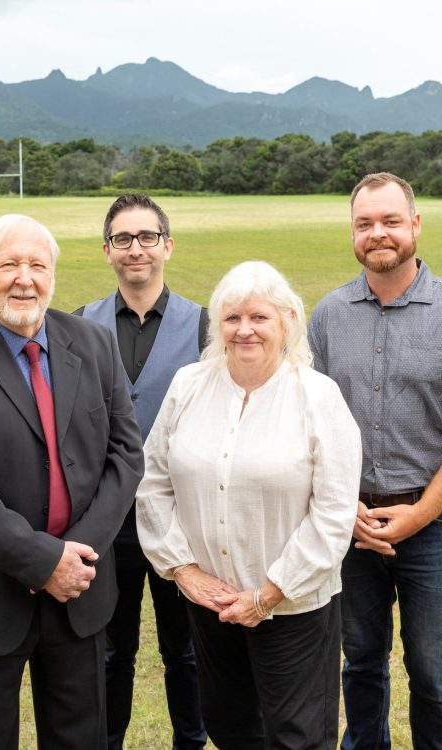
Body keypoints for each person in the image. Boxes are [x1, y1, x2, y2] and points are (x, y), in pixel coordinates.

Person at [0, 214, 144, 750]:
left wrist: (75, 556)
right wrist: (45, 562)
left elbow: (126, 455)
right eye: (8, 264)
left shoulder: (92, 343)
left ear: (53, 275)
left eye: (37, 265)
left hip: (79, 594)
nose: (25, 278)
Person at [136, 260, 362, 750]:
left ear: (287, 322)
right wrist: (186, 573)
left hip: (293, 607)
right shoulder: (188, 385)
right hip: (211, 605)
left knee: (297, 738)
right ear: (217, 325)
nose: (244, 330)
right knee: (231, 727)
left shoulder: (317, 396)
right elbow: (153, 484)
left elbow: (334, 512)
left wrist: (269, 594)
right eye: (232, 317)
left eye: (259, 317)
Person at [308, 172, 442, 750]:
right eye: (365, 224)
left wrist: (418, 515)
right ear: (353, 232)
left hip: (431, 526)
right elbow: (307, 427)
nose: (377, 234)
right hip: (349, 526)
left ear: (415, 224)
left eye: (390, 221)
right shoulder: (329, 315)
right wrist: (347, 508)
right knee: (360, 663)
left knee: (435, 672)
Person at [76, 193, 207, 750]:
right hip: (107, 517)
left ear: (167, 246)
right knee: (111, 648)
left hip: (182, 516)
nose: (137, 249)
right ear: (107, 251)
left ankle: (191, 740)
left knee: (186, 648)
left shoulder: (203, 324)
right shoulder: (80, 323)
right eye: (124, 239)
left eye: (147, 237)